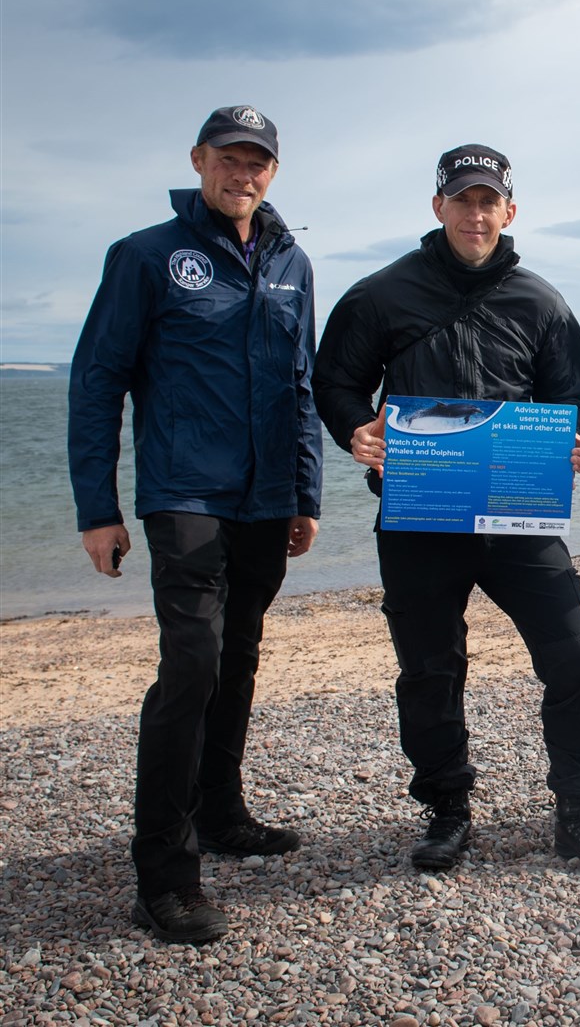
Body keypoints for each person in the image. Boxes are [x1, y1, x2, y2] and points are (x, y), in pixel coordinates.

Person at [312, 144, 580, 876]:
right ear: (438, 208)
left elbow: (566, 395)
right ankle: (447, 809)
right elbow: (334, 381)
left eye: (489, 201)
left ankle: (577, 812)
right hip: (420, 515)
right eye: (462, 199)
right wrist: (354, 428)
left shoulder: (542, 301)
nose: (475, 213)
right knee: (429, 669)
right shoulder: (380, 294)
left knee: (578, 658)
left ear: (509, 212)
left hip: (516, 514)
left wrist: (568, 444)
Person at [67, 105, 322, 944]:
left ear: (272, 173)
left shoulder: (291, 261)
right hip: (185, 497)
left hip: (265, 503)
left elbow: (301, 386)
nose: (241, 174)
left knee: (239, 659)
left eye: (257, 163)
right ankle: (163, 877)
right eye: (228, 159)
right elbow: (97, 380)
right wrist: (97, 508)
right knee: (192, 669)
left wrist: (306, 495)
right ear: (198, 160)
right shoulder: (146, 255)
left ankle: (222, 814)